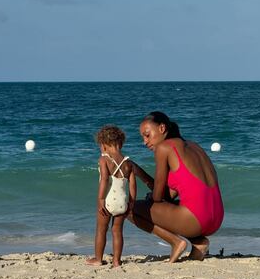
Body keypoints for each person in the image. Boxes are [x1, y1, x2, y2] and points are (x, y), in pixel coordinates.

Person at [129, 111, 224, 263]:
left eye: (147, 135)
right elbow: (168, 195)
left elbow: (158, 197)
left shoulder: (165, 148)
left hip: (194, 219)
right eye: (142, 137)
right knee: (156, 203)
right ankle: (199, 243)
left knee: (128, 209)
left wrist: (140, 175)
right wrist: (140, 173)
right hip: (216, 218)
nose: (145, 141)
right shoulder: (194, 146)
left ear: (161, 128)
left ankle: (176, 242)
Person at [87, 125, 137, 267]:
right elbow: (133, 185)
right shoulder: (129, 163)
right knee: (117, 231)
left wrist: (101, 199)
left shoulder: (104, 160)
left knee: (101, 230)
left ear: (103, 145)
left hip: (108, 200)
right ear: (120, 143)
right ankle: (116, 261)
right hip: (123, 202)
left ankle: (98, 259)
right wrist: (131, 203)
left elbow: (104, 180)